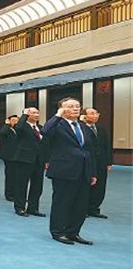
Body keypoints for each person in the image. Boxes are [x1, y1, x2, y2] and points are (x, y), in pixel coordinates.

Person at [44, 98, 97, 245]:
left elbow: (90, 151)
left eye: (77, 106)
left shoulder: (84, 127)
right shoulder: (57, 124)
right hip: (63, 170)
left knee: (81, 205)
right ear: (61, 109)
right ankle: (58, 231)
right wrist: (57, 115)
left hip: (84, 171)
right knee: (62, 202)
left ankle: (73, 232)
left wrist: (93, 172)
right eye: (70, 106)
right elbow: (45, 132)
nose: (75, 109)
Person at [11, 108, 46, 217]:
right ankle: (19, 207)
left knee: (37, 186)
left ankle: (33, 208)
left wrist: (46, 159)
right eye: (33, 113)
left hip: (39, 160)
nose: (36, 115)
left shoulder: (40, 128)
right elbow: (18, 128)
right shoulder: (23, 126)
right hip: (24, 159)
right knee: (21, 184)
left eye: (37, 113)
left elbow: (45, 144)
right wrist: (24, 115)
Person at [83, 108, 112, 219]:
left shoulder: (101, 129)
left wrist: (109, 161)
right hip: (88, 162)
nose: (95, 115)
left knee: (100, 187)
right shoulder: (81, 128)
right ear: (84, 116)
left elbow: (107, 146)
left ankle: (94, 208)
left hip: (101, 162)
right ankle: (83, 209)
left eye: (96, 113)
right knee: (87, 186)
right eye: (92, 113)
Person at [0, 115, 19, 201]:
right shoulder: (7, 129)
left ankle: (16, 194)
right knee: (10, 176)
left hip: (18, 156)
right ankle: (9, 194)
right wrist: (7, 124)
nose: (15, 122)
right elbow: (2, 133)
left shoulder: (18, 130)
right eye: (13, 120)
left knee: (17, 176)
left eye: (17, 120)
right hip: (9, 156)